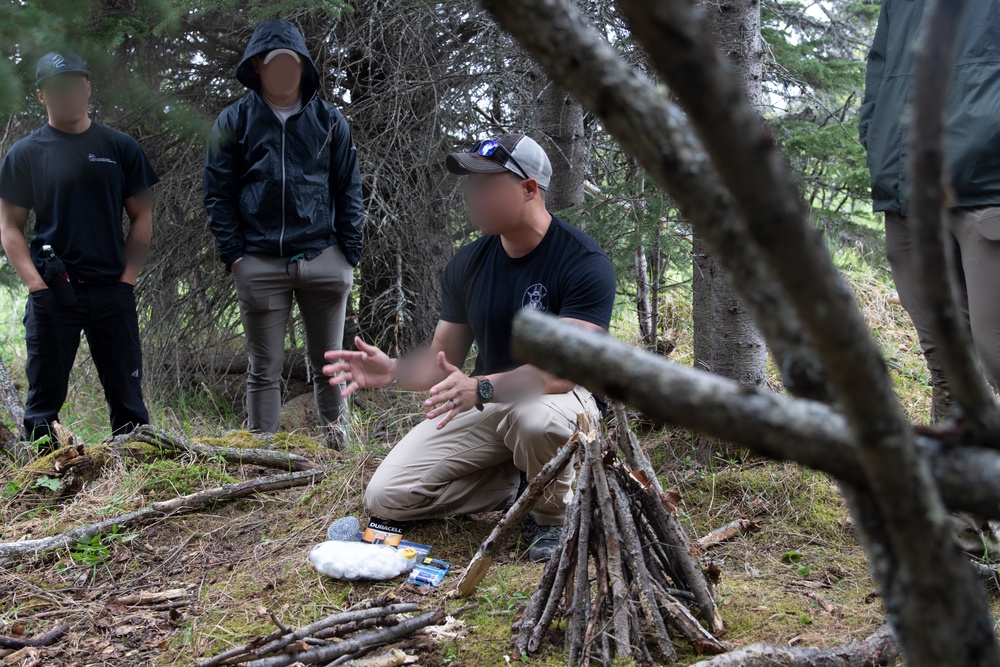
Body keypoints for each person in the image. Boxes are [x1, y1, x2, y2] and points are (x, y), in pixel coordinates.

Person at [323, 134, 616, 562]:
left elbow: (562, 372)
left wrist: (479, 387)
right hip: (493, 402)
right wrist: (394, 371)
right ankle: (517, 483)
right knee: (387, 496)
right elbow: (446, 360)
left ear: (529, 189)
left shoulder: (582, 261)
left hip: (563, 401)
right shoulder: (469, 263)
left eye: (486, 186)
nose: (472, 198)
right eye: (470, 187)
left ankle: (554, 519)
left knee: (535, 420)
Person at [204, 20, 363, 449]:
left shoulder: (331, 121)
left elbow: (349, 189)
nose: (283, 72)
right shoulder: (233, 121)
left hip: (323, 257)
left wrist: (349, 254)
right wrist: (235, 255)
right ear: (257, 66)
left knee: (330, 364)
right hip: (260, 262)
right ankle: (263, 460)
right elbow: (217, 193)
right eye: (274, 64)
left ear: (303, 66)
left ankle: (338, 456)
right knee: (264, 367)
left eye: (291, 63)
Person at [0, 51, 158, 451]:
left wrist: (127, 281)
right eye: (56, 86)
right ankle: (44, 481)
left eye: (74, 83)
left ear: (87, 86)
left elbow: (142, 216)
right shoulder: (26, 153)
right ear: (41, 95)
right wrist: (36, 287)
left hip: (112, 290)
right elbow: (9, 227)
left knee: (129, 402)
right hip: (54, 291)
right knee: (43, 405)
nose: (67, 92)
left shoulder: (119, 147)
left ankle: (133, 474)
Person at [859, 0, 1000, 423]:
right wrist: (875, 133)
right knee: (948, 369)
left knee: (996, 349)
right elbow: (880, 70)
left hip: (986, 187)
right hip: (906, 195)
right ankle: (957, 481)